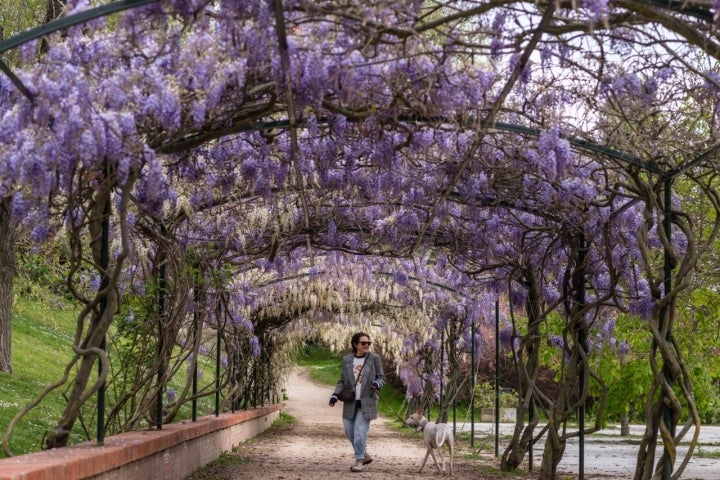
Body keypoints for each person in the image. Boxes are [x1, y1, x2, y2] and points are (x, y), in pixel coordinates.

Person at [328, 332, 386, 473]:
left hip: (367, 401)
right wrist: (335, 395)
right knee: (349, 431)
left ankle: (359, 461)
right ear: (355, 344)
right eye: (363, 343)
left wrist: (377, 383)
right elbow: (342, 380)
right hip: (350, 402)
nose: (366, 345)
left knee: (360, 432)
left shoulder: (374, 358)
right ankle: (364, 454)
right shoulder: (347, 359)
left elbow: (382, 378)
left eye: (368, 343)